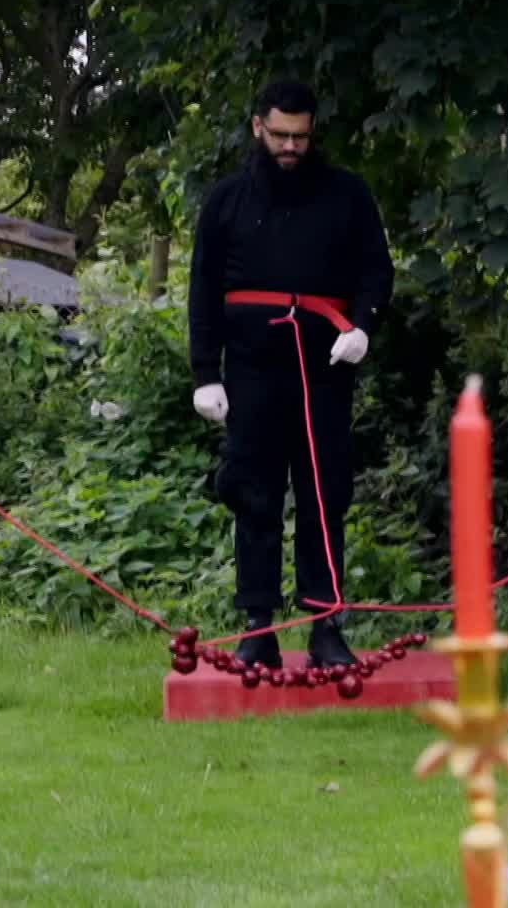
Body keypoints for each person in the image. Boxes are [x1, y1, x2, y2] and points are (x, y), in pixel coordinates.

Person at [186, 80, 394, 670]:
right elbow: (203, 288)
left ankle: (325, 625)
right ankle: (260, 626)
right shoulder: (227, 199)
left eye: (300, 136)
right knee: (254, 495)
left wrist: (362, 327)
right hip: (250, 370)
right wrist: (205, 373)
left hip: (324, 371)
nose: (289, 147)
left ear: (312, 132)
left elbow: (376, 271)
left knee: (325, 494)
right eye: (279, 134)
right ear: (258, 127)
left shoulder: (347, 194)